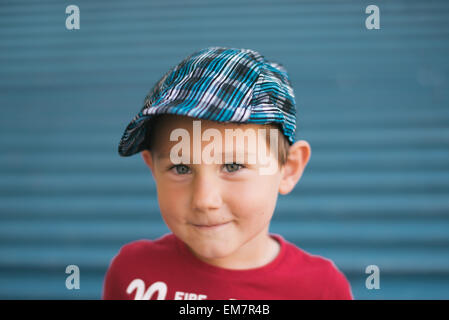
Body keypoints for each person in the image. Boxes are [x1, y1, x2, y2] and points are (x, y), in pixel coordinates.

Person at [102, 46, 353, 300]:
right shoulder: (131, 273)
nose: (204, 200)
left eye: (233, 166)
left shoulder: (321, 290)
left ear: (289, 168)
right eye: (180, 168)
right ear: (153, 169)